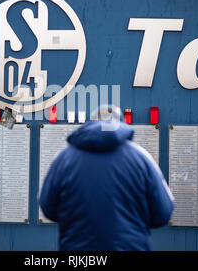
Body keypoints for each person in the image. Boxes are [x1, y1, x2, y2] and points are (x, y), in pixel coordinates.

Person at [39, 105, 174, 251]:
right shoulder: (141, 158)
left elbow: (48, 207)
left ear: (90, 124)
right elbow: (163, 213)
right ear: (122, 124)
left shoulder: (64, 158)